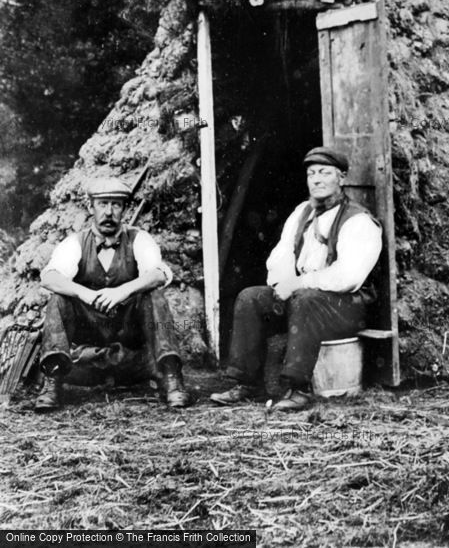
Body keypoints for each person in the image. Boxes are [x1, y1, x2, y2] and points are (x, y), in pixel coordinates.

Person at [210, 146, 382, 411]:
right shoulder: (302, 212)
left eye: (325, 172)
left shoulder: (358, 221)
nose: (317, 179)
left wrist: (298, 285)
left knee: (306, 298)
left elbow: (348, 277)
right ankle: (246, 382)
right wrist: (282, 284)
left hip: (346, 307)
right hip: (302, 297)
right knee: (250, 298)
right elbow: (280, 255)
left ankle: (298, 389)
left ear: (342, 178)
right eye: (311, 173)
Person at [35, 177, 189, 411]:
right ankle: (52, 383)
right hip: (91, 339)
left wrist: (123, 290)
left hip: (129, 337)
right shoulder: (75, 243)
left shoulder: (139, 238)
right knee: (59, 298)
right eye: (103, 204)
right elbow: (49, 277)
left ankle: (172, 381)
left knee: (154, 295)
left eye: (116, 205)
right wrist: (84, 293)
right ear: (91, 208)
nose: (109, 212)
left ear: (124, 209)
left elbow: (159, 273)